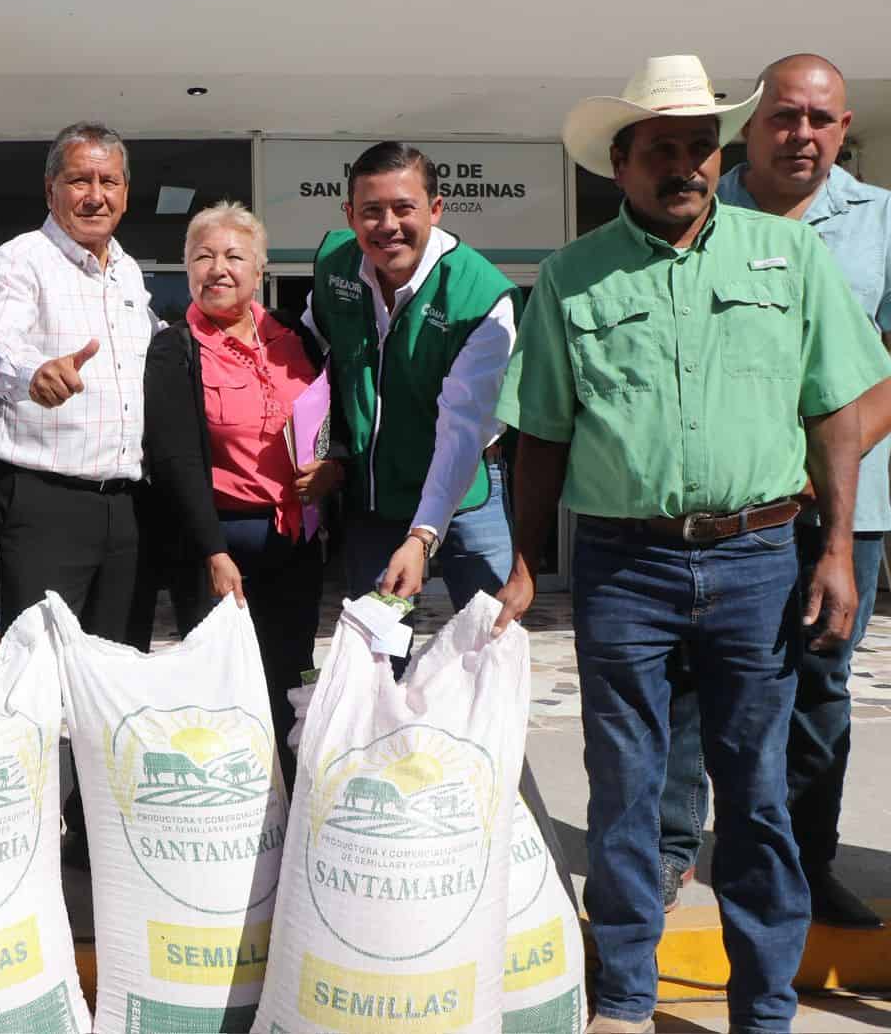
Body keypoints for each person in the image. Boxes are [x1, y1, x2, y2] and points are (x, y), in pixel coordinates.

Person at [494, 54, 891, 1033]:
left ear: (718, 155)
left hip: (760, 560)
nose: (683, 164)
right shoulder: (571, 276)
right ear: (619, 165)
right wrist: (521, 563)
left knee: (755, 793)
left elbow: (839, 406)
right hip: (625, 567)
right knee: (625, 786)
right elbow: (540, 431)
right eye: (659, 149)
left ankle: (762, 1006)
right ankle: (626, 997)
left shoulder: (787, 258)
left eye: (697, 146)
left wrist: (835, 547)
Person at [656, 53, 891, 929]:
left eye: (822, 120)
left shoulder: (882, 223)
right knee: (689, 675)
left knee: (820, 689)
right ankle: (671, 854)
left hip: (844, 505)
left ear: (844, 128)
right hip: (716, 508)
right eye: (785, 117)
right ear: (747, 128)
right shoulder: (701, 209)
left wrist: (814, 467)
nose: (803, 135)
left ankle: (804, 861)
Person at [144, 201, 339, 772]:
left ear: (260, 269)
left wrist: (335, 467)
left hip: (292, 539)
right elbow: (175, 457)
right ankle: (230, 804)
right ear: (187, 270)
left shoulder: (295, 338)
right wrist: (213, 551)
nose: (218, 269)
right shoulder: (175, 348)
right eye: (203, 257)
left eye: (234, 256)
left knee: (291, 673)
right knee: (222, 681)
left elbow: (333, 420)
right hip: (217, 544)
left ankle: (286, 802)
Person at [303, 141, 519, 617]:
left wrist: (422, 538)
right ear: (349, 213)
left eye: (404, 208)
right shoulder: (335, 265)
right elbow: (305, 363)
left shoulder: (480, 295)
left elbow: (463, 430)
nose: (387, 226)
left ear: (436, 209)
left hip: (467, 492)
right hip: (375, 496)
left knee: (486, 638)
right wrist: (326, 454)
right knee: (377, 649)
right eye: (371, 211)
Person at [0, 121, 161, 642]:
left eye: (110, 182)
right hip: (46, 504)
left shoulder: (128, 272)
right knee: (39, 670)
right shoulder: (20, 260)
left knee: (115, 669)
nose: (95, 196)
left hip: (127, 507)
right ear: (50, 189)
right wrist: (32, 373)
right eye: (80, 181)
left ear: (125, 193)